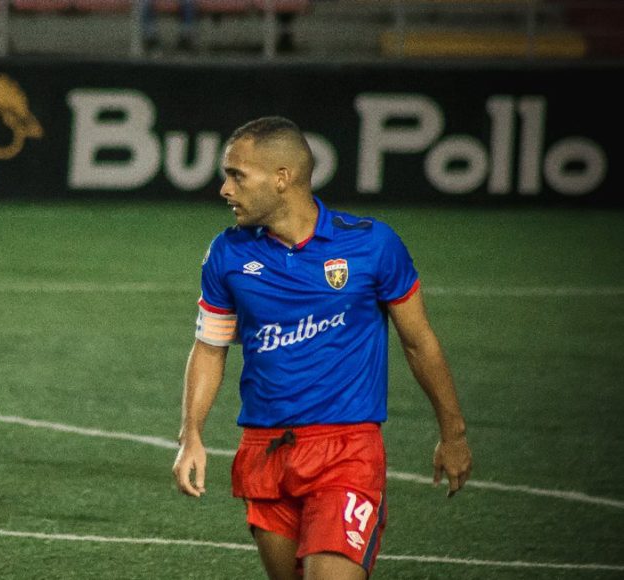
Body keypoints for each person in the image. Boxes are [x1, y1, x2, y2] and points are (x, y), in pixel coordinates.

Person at [171, 116, 472, 580]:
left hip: (346, 452)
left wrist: (453, 433)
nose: (225, 189)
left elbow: (418, 342)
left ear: (282, 178)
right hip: (265, 451)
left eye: (237, 176)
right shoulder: (227, 254)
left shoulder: (372, 244)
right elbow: (210, 347)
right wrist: (191, 434)